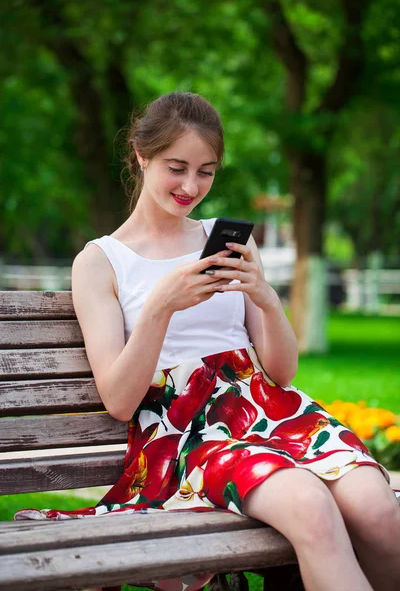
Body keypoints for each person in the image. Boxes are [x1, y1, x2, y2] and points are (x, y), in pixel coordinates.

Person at [17, 92, 400, 591]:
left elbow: (282, 374)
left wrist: (265, 298)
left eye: (207, 171)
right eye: (177, 167)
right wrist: (160, 306)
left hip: (273, 410)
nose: (191, 186)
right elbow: (118, 399)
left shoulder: (229, 240)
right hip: (188, 433)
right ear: (141, 154)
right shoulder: (100, 261)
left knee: (380, 512)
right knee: (310, 506)